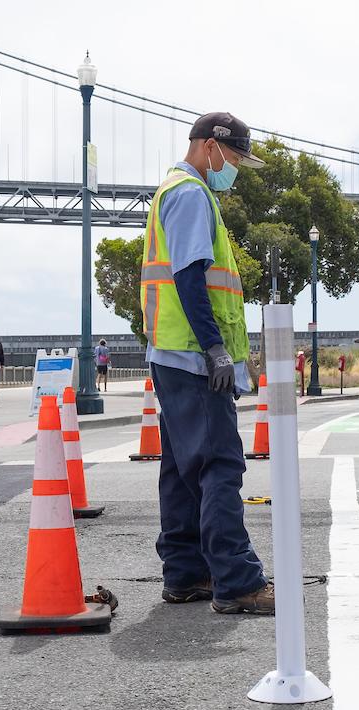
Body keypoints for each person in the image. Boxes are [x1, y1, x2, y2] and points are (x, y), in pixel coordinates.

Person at [140, 111, 274, 615]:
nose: (236, 167)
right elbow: (191, 277)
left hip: (171, 353)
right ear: (210, 147)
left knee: (179, 468)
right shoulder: (193, 194)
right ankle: (237, 581)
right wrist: (216, 347)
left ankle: (186, 573)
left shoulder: (171, 190)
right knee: (220, 463)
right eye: (235, 156)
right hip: (197, 359)